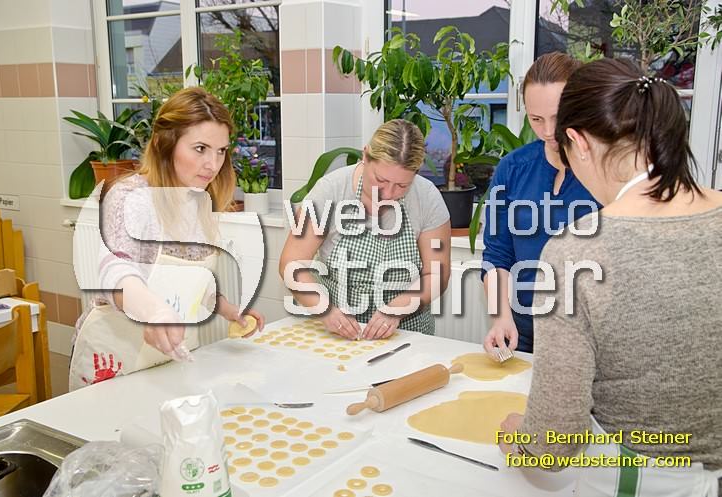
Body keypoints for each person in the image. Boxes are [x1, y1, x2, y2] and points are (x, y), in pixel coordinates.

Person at [497, 58, 722, 496]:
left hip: (637, 479)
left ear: (579, 142)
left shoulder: (575, 253)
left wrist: (518, 437)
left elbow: (551, 448)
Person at [70, 87, 265, 391]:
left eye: (220, 151)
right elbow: (116, 270)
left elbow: (189, 281)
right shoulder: (131, 196)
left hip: (168, 359)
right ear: (165, 144)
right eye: (200, 148)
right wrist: (154, 312)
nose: (213, 164)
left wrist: (229, 309)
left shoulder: (197, 199)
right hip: (114, 358)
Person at [279, 119, 451, 339]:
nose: (388, 194)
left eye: (402, 186)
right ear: (365, 156)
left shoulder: (427, 198)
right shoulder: (330, 191)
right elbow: (291, 264)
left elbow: (437, 274)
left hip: (407, 332)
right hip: (338, 331)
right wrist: (326, 311)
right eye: (380, 180)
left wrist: (397, 309)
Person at [481, 52, 598, 355]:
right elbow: (497, 255)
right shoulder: (512, 169)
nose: (548, 131)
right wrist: (501, 318)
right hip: (525, 331)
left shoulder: (606, 171)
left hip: (591, 336)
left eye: (558, 118)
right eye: (536, 119)